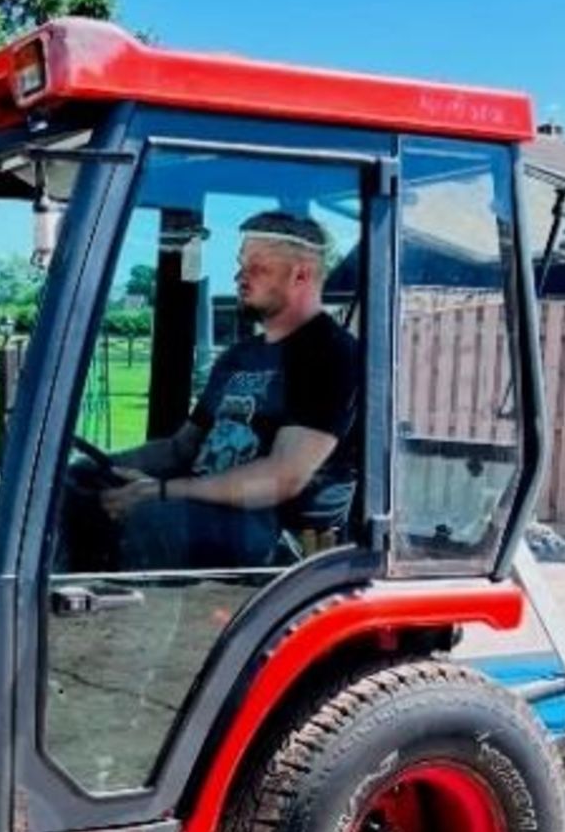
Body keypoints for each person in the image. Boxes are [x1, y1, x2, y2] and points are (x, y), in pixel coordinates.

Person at [72, 211, 361, 571]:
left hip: (274, 532)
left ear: (301, 274)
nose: (239, 276)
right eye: (242, 265)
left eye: (257, 267)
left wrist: (161, 491)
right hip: (207, 507)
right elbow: (181, 448)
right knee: (76, 487)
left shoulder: (331, 356)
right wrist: (103, 467)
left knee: (152, 518)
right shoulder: (239, 357)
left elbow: (283, 477)